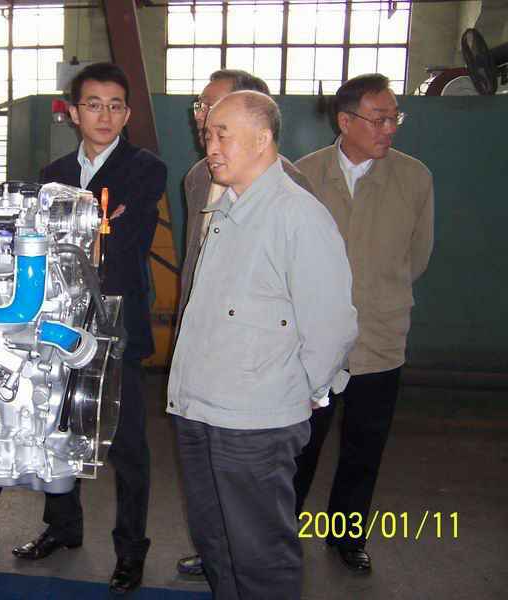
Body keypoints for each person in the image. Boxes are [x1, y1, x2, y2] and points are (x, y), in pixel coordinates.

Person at [167, 91, 358, 599]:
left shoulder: (298, 216)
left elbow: (333, 325)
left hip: (255, 422)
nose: (210, 145)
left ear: (262, 138)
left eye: (222, 134)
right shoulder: (224, 208)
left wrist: (303, 392)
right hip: (198, 408)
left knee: (260, 556)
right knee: (216, 545)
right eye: (207, 134)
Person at [11, 62, 167, 595]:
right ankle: (62, 526)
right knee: (56, 428)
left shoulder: (145, 168)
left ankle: (131, 550)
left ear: (127, 113)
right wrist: (100, 227)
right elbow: (52, 244)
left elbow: (127, 242)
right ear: (73, 113)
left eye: (116, 105)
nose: (105, 115)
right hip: (57, 322)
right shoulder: (52, 172)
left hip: (114, 324)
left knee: (127, 446)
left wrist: (95, 235)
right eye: (94, 104)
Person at [176, 68, 316, 579]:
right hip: (202, 376)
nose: (204, 123)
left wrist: (305, 385)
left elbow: (323, 313)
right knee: (216, 521)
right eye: (202, 111)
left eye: (219, 118)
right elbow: (195, 268)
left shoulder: (293, 196)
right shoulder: (199, 177)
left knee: (259, 540)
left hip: (256, 391)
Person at [293, 73, 434, 573]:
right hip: (312, 344)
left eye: (394, 118)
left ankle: (346, 537)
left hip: (380, 339)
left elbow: (417, 255)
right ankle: (281, 530)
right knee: (300, 446)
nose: (389, 128)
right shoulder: (304, 176)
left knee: (364, 447)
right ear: (345, 121)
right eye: (379, 119)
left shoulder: (414, 178)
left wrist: (379, 295)